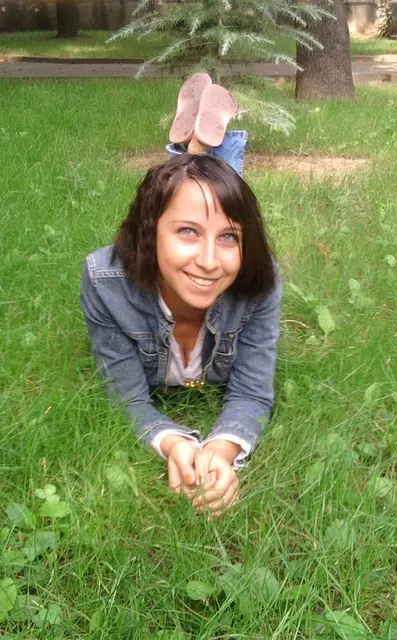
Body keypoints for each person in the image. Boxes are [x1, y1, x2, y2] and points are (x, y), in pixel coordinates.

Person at [80, 75, 282, 516]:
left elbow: (253, 391)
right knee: (203, 190)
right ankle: (194, 150)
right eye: (187, 232)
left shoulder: (259, 280)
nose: (209, 262)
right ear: (150, 234)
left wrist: (222, 450)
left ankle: (194, 149)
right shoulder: (105, 282)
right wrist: (174, 443)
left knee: (215, 190)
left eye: (229, 237)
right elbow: (127, 397)